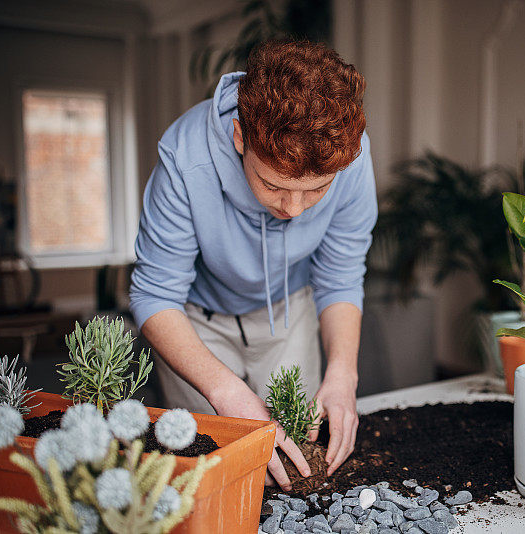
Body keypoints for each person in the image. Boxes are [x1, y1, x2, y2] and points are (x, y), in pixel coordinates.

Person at [129, 40, 376, 492]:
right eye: (273, 185)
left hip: (290, 312)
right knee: (213, 477)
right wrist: (224, 392)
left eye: (316, 190)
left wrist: (344, 372)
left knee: (294, 467)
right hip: (195, 325)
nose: (295, 209)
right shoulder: (185, 157)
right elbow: (154, 295)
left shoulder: (348, 158)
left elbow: (340, 277)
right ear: (240, 137)